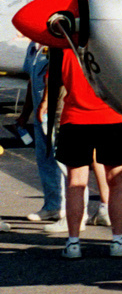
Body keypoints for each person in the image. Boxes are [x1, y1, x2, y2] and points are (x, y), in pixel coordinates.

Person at [49, 45, 122, 258]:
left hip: (75, 119)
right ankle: (118, 240)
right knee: (117, 181)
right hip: (112, 117)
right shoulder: (112, 46)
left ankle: (73, 243)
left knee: (75, 182)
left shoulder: (63, 49)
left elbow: (53, 82)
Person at [22, 41, 64, 224]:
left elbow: (56, 77)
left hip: (57, 109)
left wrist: (47, 101)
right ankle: (52, 205)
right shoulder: (33, 48)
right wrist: (24, 114)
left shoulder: (57, 44)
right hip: (40, 112)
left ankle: (68, 208)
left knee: (63, 160)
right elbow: (31, 81)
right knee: (44, 159)